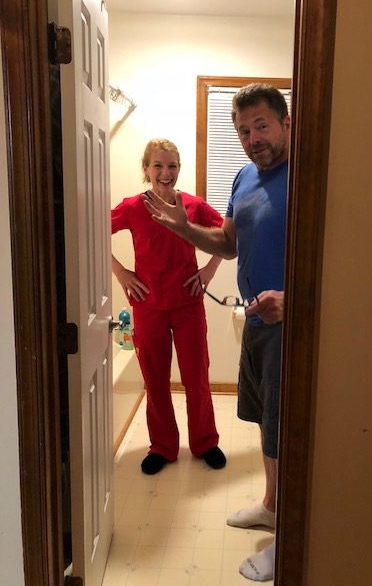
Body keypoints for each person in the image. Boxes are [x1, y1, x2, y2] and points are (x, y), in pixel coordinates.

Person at [142, 84, 289, 582]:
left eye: (262, 125)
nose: (252, 138)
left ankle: (289, 538)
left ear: (287, 123)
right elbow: (228, 243)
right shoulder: (244, 176)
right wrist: (182, 228)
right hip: (257, 322)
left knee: (288, 428)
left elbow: (339, 250)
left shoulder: (308, 175)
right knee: (266, 421)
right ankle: (272, 505)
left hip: (291, 327)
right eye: (243, 130)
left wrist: (294, 300)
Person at [111, 138, 227, 475]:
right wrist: (121, 273)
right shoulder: (133, 207)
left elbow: (229, 236)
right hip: (148, 306)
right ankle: (162, 446)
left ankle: (205, 442)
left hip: (188, 304)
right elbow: (92, 232)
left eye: (172, 165)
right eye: (158, 165)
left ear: (179, 169)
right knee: (155, 378)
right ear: (146, 169)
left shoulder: (193, 206)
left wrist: (210, 269)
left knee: (196, 376)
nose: (166, 172)